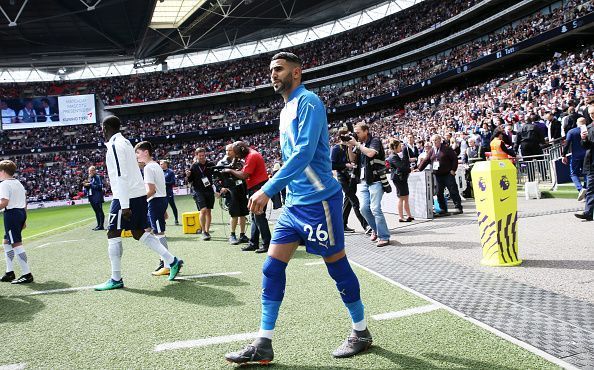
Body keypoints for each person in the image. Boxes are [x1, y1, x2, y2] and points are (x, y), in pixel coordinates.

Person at [225, 52, 372, 365]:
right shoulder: (285, 109)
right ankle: (263, 342)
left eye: (279, 69)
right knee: (271, 267)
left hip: (320, 202)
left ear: (296, 72)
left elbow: (304, 153)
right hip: (294, 205)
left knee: (336, 266)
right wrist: (282, 191)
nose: (273, 75)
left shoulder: (309, 102)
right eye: (271, 70)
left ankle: (360, 332)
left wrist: (267, 189)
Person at [94, 116, 183, 291]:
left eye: (102, 128)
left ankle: (116, 278)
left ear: (105, 128)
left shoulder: (115, 145)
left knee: (113, 233)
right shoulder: (125, 142)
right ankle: (172, 261)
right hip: (137, 194)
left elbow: (120, 175)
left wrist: (125, 204)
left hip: (125, 196)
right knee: (138, 232)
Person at [222, 141, 271, 253]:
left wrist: (230, 170)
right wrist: (234, 161)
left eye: (237, 154)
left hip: (258, 188)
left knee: (259, 216)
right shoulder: (249, 154)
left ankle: (267, 244)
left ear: (242, 151)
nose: (237, 156)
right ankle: (254, 243)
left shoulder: (252, 156)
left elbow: (244, 175)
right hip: (255, 187)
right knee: (254, 217)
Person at [347, 122, 391, 247]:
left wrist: (356, 144)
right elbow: (352, 159)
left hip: (376, 180)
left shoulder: (374, 140)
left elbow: (371, 153)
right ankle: (376, 230)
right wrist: (350, 146)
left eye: (358, 132)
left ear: (366, 131)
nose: (356, 134)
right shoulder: (359, 144)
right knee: (363, 209)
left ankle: (384, 236)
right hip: (363, 181)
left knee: (375, 208)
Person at [135, 141, 173, 276]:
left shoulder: (148, 168)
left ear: (146, 152)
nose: (137, 156)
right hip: (160, 201)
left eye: (138, 153)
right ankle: (164, 263)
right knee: (156, 232)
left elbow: (151, 190)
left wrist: (140, 202)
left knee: (159, 234)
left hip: (156, 202)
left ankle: (168, 265)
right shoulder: (155, 165)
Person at [0, 160, 33, 284]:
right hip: (20, 213)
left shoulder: (4, 184)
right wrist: (24, 219)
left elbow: (4, 202)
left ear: (3, 171)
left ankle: (27, 274)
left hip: (11, 214)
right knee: (6, 242)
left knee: (16, 244)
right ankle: (10, 272)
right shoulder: (18, 182)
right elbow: (25, 202)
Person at [331, 127, 369, 233]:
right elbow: (332, 165)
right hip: (343, 178)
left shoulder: (353, 146)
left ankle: (342, 225)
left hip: (353, 177)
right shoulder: (336, 148)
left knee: (348, 201)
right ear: (342, 136)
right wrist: (345, 165)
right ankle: (366, 225)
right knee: (355, 201)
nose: (350, 136)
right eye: (347, 135)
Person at [417, 134, 463, 216]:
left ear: (439, 140)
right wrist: (419, 169)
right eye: (433, 141)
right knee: (439, 192)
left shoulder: (447, 149)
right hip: (438, 175)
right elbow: (426, 160)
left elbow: (454, 159)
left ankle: (458, 207)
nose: (434, 142)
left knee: (453, 190)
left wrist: (453, 170)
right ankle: (443, 208)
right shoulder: (432, 150)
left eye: (436, 140)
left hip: (448, 174)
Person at [216, 144, 249, 245]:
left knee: (243, 213)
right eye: (226, 150)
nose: (228, 152)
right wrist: (220, 188)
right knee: (234, 214)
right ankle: (232, 234)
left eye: (230, 150)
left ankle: (242, 235)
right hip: (230, 191)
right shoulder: (221, 163)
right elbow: (216, 178)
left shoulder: (241, 162)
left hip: (241, 189)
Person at [186, 148, 215, 241]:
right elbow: (189, 181)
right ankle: (203, 231)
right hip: (199, 191)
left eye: (203, 155)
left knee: (209, 211)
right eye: (200, 156)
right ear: (196, 156)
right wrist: (188, 175)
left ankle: (207, 231)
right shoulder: (193, 166)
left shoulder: (211, 164)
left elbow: (216, 176)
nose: (202, 157)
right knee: (203, 210)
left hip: (209, 190)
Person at [388, 139, 414, 223]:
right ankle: (401, 217)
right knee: (401, 198)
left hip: (402, 178)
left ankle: (409, 215)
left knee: (405, 197)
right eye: (399, 146)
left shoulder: (395, 155)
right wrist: (409, 169)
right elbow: (401, 167)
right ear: (395, 147)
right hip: (398, 179)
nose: (401, 148)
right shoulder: (393, 156)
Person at [562, 117, 588, 201]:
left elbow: (567, 143)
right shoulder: (589, 129)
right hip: (587, 155)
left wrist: (563, 155)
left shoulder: (572, 131)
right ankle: (586, 191)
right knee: (587, 174)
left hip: (576, 156)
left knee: (573, 174)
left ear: (577, 123)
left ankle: (580, 189)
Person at [83, 166, 105, 230]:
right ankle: (98, 225)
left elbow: (99, 187)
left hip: (97, 197)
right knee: (96, 211)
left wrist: (90, 185)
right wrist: (86, 186)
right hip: (91, 197)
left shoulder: (97, 177)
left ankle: (101, 226)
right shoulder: (90, 178)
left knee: (100, 211)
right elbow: (88, 188)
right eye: (89, 171)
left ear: (94, 171)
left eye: (91, 171)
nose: (89, 172)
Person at [160, 160, 179, 225]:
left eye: (162, 164)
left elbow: (173, 182)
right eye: (160, 164)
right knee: (162, 207)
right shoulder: (159, 172)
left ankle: (176, 220)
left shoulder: (170, 172)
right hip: (161, 193)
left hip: (169, 192)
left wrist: (164, 183)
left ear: (165, 164)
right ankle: (163, 220)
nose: (160, 165)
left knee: (173, 206)